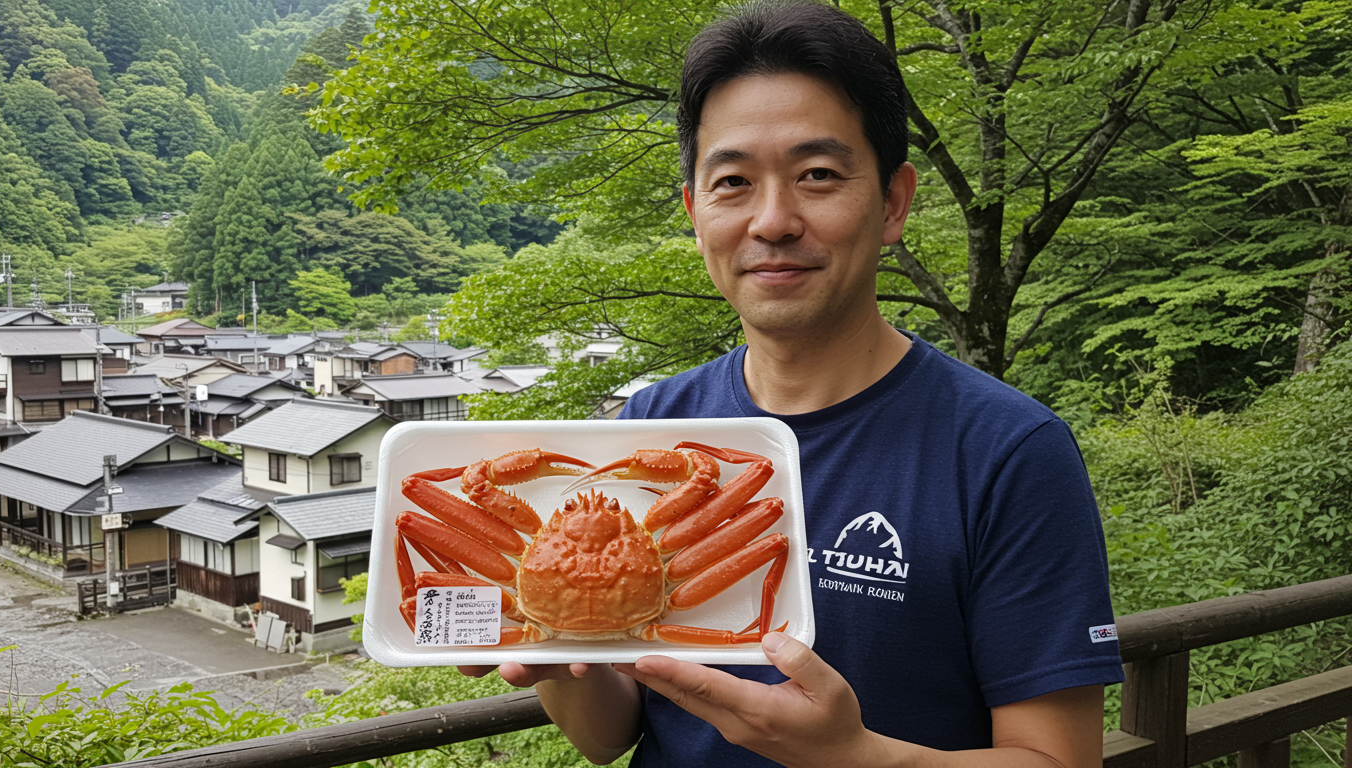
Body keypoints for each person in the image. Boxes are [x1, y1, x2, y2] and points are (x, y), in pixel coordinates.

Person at [459, 2, 1125, 766]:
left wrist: (856, 756)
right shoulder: (650, 425)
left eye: (817, 175)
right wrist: (557, 658)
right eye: (733, 181)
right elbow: (608, 735)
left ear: (893, 203)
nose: (772, 220)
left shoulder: (1008, 449)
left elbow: (1059, 759)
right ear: (695, 211)